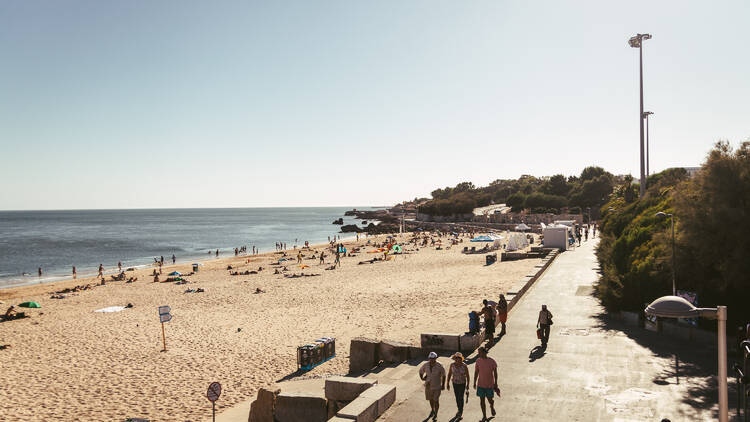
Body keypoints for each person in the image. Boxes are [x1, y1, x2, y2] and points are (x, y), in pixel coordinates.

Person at [419, 351, 445, 421]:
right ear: (429, 358)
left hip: (437, 386)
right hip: (428, 386)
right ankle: (432, 410)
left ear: (436, 358)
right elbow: (421, 371)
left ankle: (436, 414)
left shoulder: (440, 365)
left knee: (436, 400)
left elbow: (444, 375)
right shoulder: (426, 365)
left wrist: (443, 385)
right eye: (430, 358)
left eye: (433, 358)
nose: (432, 359)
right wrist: (422, 378)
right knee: (430, 399)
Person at [473, 347, 498, 421]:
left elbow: (495, 373)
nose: (478, 354)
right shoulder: (478, 361)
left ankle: (491, 406)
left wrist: (495, 383)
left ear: (484, 353)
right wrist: (474, 382)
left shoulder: (492, 361)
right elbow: (476, 372)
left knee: (490, 400)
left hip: (490, 384)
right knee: (482, 401)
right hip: (480, 384)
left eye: (479, 352)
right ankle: (484, 416)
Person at [446, 352, 470, 417]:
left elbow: (467, 375)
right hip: (455, 383)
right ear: (455, 359)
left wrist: (468, 384)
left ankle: (460, 411)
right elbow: (449, 374)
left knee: (460, 397)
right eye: (456, 358)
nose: (457, 359)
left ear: (461, 359)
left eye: (459, 358)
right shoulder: (452, 365)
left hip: (462, 383)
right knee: (457, 397)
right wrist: (447, 383)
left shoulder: (464, 365)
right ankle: (459, 409)